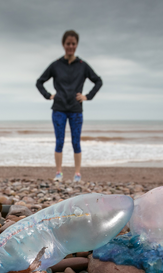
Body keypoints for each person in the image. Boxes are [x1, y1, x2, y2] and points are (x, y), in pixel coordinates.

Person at [36, 30, 102, 182]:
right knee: (59, 141)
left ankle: (77, 174)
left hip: (75, 110)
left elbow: (98, 81)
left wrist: (87, 96)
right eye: (68, 44)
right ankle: (58, 173)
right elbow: (39, 82)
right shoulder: (56, 65)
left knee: (75, 142)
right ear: (63, 45)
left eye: (73, 44)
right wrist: (48, 95)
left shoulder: (82, 65)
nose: (70, 46)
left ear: (76, 45)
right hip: (59, 109)